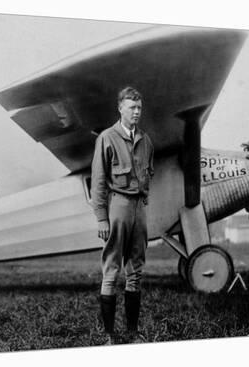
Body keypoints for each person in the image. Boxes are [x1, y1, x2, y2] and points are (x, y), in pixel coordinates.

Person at [90, 87, 154, 344]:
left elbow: (149, 172)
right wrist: (102, 218)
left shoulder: (146, 140)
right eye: (132, 108)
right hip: (117, 207)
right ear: (120, 109)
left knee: (136, 270)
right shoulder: (106, 138)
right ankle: (109, 336)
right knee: (112, 271)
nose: (136, 112)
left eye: (139, 108)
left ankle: (132, 332)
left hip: (139, 208)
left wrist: (144, 200)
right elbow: (98, 181)